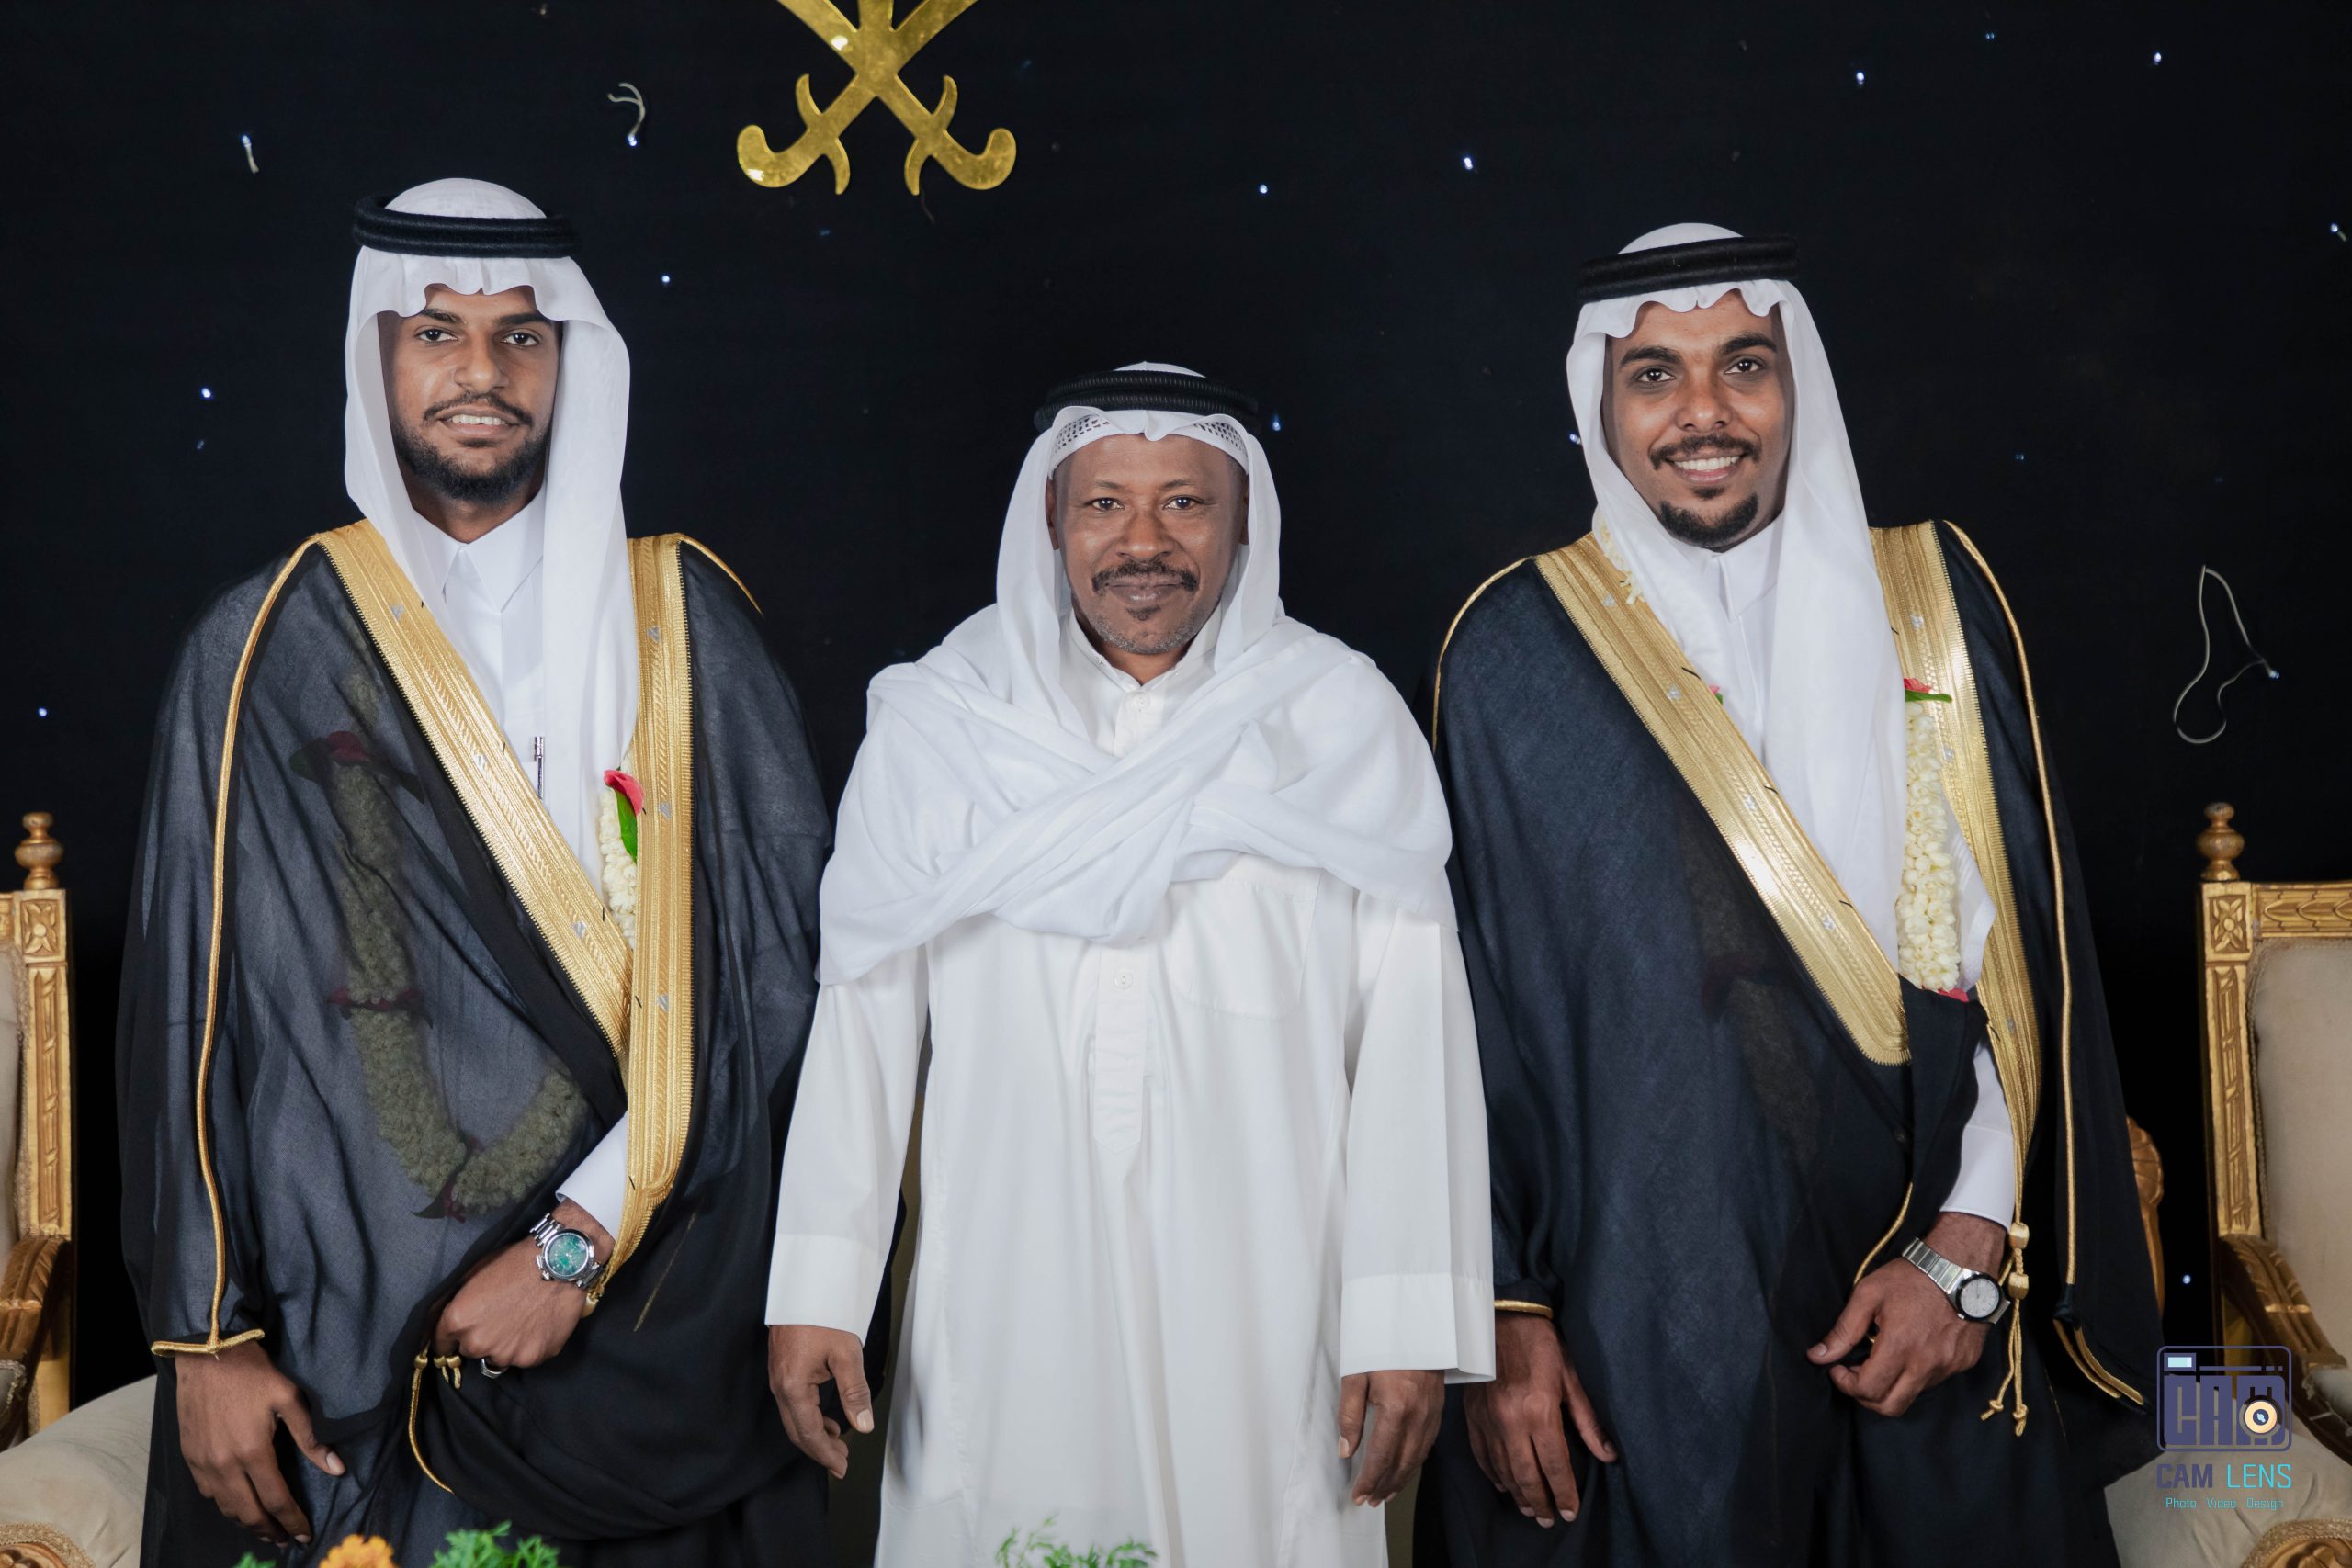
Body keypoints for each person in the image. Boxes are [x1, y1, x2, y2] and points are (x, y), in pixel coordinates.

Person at [119, 179, 835, 1565]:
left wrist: (575, 1247)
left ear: (571, 363)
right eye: (436, 331)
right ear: (377, 359)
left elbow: (778, 990)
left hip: (644, 1327)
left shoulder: (684, 624)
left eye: (522, 335)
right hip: (345, 1335)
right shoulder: (262, 646)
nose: (481, 372)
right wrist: (205, 1340)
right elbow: (186, 1018)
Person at [1419, 226, 2160, 1566]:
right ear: (1601, 400)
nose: (1702, 411)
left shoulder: (1931, 600)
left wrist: (1966, 1253)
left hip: (1924, 1295)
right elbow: (1470, 1014)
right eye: (1655, 374)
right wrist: (1504, 1313)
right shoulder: (1512, 651)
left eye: (1743, 365)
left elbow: (2015, 967)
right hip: (1639, 1321)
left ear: (1794, 384)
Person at [764, 365, 1495, 1565]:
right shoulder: (945, 724)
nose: (1142, 542)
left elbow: (1417, 1042)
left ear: (1243, 522)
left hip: (1270, 1303)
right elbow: (864, 1021)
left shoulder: (1338, 721)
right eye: (1105, 503)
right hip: (1004, 1290)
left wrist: (1406, 1320)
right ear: (1052, 519)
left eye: (1184, 503)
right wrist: (818, 1289)